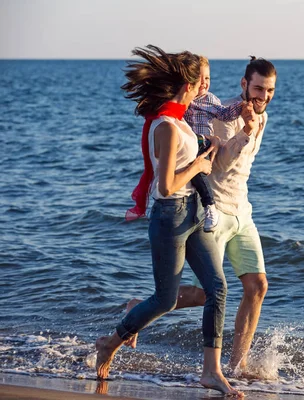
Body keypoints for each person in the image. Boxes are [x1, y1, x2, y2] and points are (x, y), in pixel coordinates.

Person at [96, 45, 242, 397]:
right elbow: (165, 185)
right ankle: (110, 343)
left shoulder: (179, 121)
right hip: (169, 217)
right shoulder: (166, 125)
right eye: (200, 84)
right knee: (164, 300)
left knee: (217, 288)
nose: (203, 90)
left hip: (191, 212)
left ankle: (211, 372)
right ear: (188, 85)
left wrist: (207, 153)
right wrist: (198, 166)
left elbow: (185, 164)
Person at [126, 57, 277, 377]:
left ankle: (238, 366)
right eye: (258, 88)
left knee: (258, 285)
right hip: (214, 212)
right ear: (243, 85)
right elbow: (217, 165)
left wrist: (253, 127)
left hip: (242, 212)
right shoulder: (225, 116)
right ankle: (140, 308)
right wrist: (245, 132)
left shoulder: (261, 116)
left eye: (270, 90)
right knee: (200, 294)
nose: (263, 96)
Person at [184, 56, 245, 233]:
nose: (204, 83)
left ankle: (210, 206)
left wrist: (241, 107)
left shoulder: (210, 100)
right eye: (199, 78)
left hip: (204, 144)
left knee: (194, 166)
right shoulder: (185, 99)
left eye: (208, 78)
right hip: (187, 143)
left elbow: (225, 114)